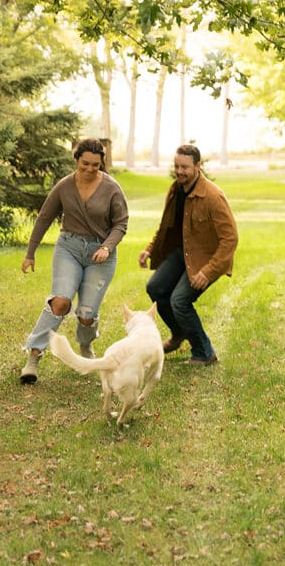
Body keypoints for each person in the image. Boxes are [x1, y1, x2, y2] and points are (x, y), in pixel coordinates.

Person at [20, 138, 129, 384]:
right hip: (68, 248)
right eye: (85, 164)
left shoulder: (112, 188)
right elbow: (44, 218)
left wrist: (107, 247)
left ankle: (85, 344)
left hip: (100, 254)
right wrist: (30, 253)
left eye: (95, 165)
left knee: (87, 314)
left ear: (101, 163)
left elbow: (121, 223)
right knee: (60, 302)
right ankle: (34, 355)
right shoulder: (64, 186)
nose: (90, 169)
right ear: (76, 160)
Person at [139, 144, 237, 366]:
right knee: (155, 288)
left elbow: (230, 239)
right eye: (176, 166)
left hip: (206, 258)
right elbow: (166, 227)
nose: (179, 171)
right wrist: (150, 249)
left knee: (179, 300)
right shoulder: (175, 190)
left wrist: (208, 271)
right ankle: (179, 332)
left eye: (185, 167)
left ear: (197, 166)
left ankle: (204, 352)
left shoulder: (212, 195)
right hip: (183, 252)